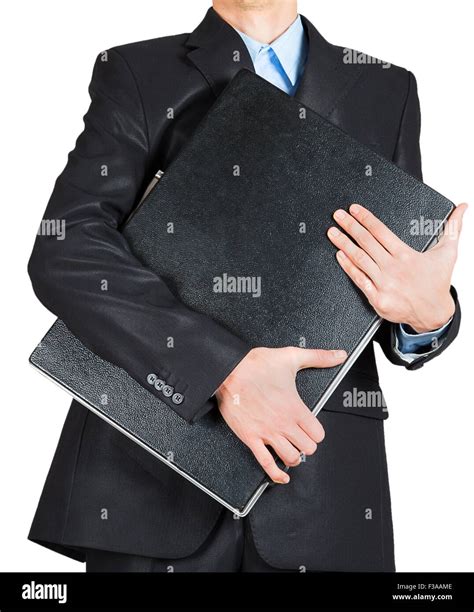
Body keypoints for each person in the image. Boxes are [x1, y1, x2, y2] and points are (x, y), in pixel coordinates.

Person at [28, 0, 465, 572]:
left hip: (322, 491)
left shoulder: (388, 90)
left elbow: (385, 286)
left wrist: (428, 316)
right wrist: (224, 371)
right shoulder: (136, 71)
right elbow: (68, 250)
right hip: (151, 476)